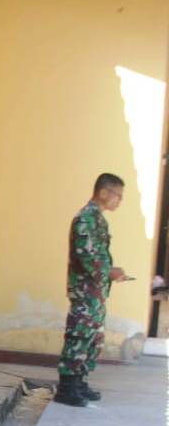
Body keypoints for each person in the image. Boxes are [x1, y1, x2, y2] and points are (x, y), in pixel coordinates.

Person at [56, 174, 128, 406]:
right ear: (104, 193)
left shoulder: (98, 219)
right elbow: (86, 256)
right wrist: (110, 272)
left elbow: (97, 255)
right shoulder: (86, 218)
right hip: (84, 290)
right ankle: (66, 388)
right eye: (118, 195)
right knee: (79, 335)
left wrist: (111, 270)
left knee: (92, 337)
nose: (119, 201)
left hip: (95, 292)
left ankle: (79, 381)